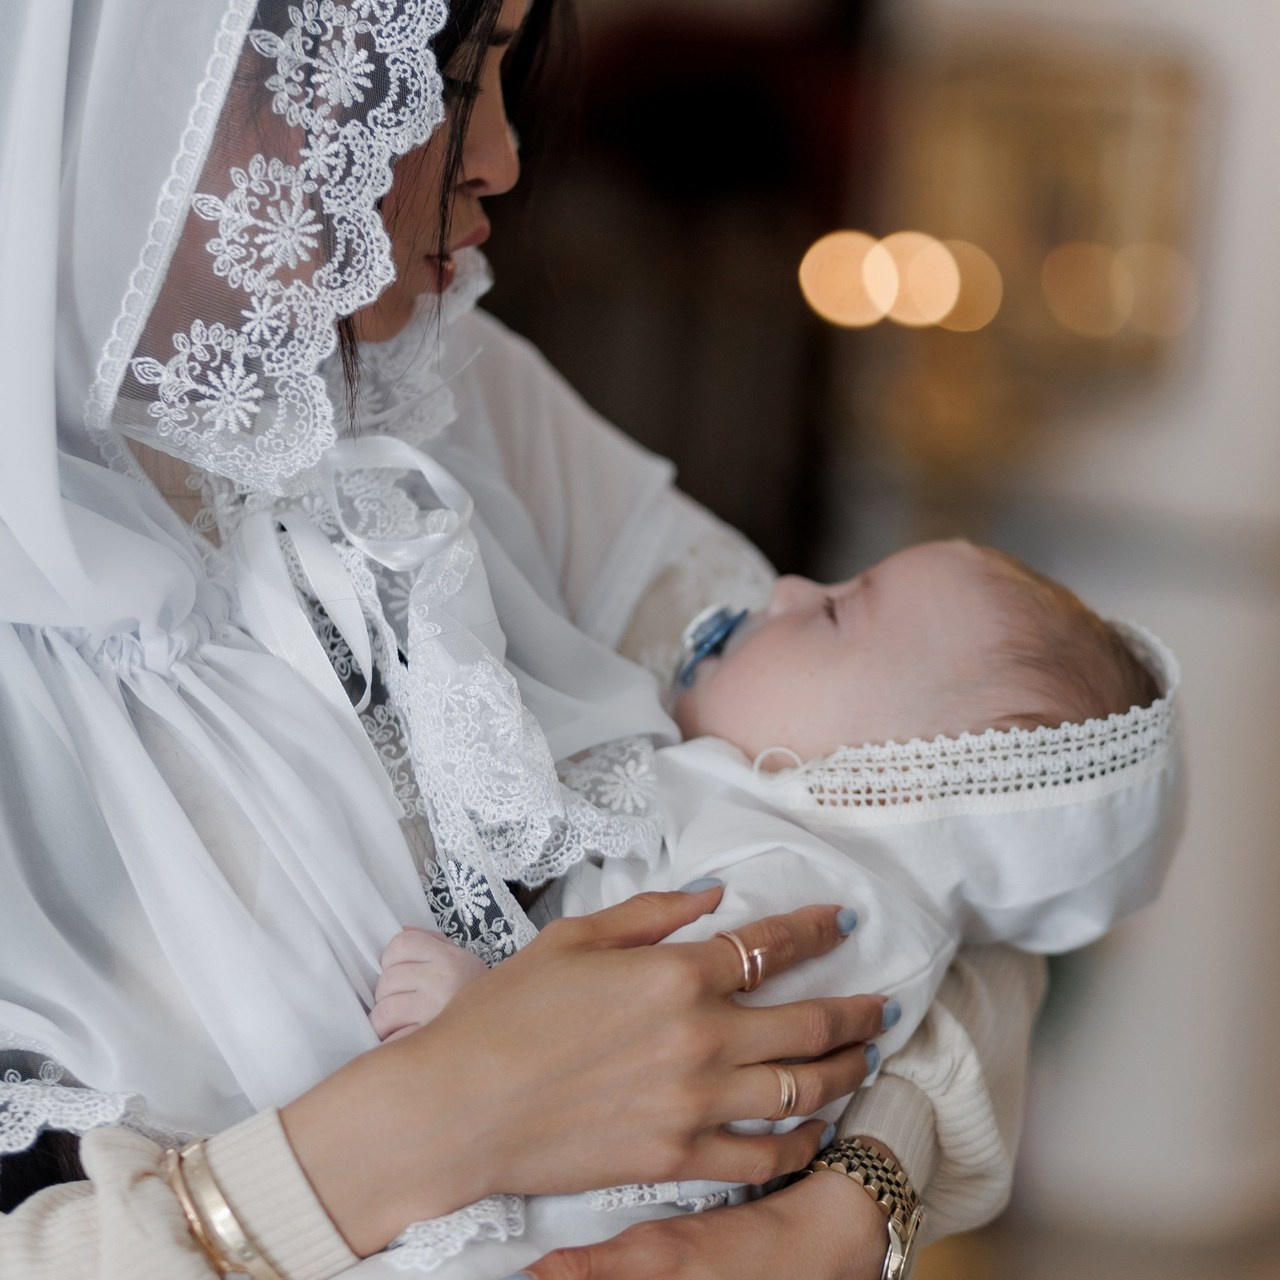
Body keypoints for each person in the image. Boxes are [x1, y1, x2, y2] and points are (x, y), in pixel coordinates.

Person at [0, 2, 1055, 1277]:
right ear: (189, 64)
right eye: (441, 78)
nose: (498, 153)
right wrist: (443, 1117)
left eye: (499, 64)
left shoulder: (432, 395)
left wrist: (836, 1208)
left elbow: (973, 791)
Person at [369, 541, 1182, 1277]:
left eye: (832, 612)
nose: (786, 585)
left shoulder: (814, 902)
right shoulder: (786, 840)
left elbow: (629, 1073)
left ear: (904, 780)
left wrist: (479, 1016)